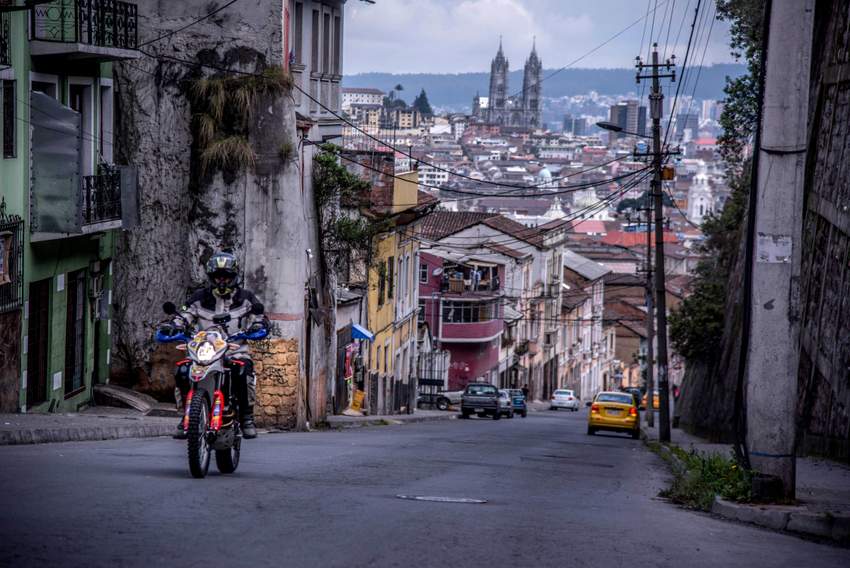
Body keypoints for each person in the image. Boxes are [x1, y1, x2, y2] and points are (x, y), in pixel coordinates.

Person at [171, 251, 267, 440]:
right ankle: (186, 415)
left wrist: (259, 325)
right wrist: (172, 325)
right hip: (203, 351)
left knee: (242, 370)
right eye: (217, 276)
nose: (222, 280)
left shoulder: (246, 298)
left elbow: (259, 317)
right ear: (210, 277)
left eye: (226, 276)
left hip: (234, 350)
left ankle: (247, 417)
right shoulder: (199, 298)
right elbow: (184, 315)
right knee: (182, 371)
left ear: (234, 276)